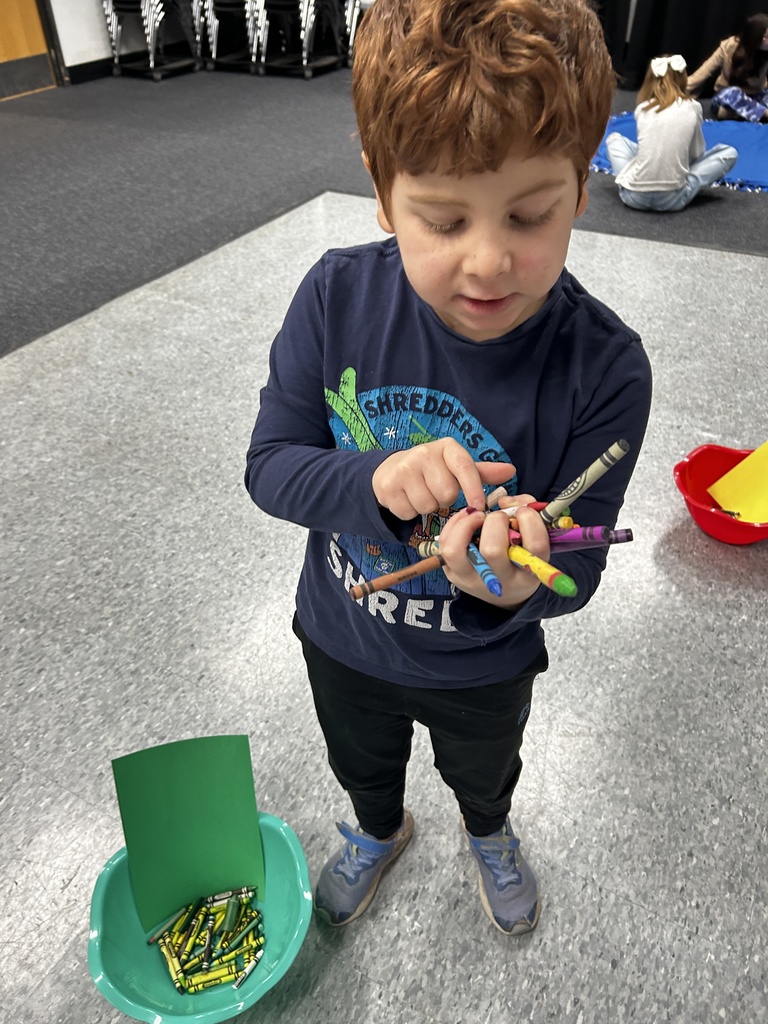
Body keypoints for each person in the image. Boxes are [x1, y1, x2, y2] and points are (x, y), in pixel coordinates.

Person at [244, 0, 652, 936]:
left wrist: (516, 584)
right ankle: (377, 828)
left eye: (531, 213)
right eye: (440, 218)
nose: (488, 260)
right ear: (382, 194)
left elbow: (579, 570)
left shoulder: (605, 366)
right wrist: (377, 483)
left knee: (484, 768)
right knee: (362, 759)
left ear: (582, 190)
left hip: (485, 664)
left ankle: (491, 832)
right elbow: (271, 467)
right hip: (343, 631)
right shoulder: (335, 297)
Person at [605, 54, 738, 213]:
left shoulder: (643, 108)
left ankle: (632, 180)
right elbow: (696, 153)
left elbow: (646, 149)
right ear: (682, 79)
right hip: (673, 200)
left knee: (614, 140)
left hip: (632, 198)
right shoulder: (693, 107)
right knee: (729, 153)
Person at [686, 12, 768, 122]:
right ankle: (760, 113)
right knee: (732, 93)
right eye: (766, 37)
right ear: (755, 36)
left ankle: (740, 113)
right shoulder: (729, 47)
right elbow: (702, 73)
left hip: (756, 97)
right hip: (728, 96)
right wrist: (673, 91)